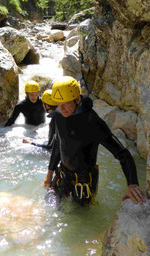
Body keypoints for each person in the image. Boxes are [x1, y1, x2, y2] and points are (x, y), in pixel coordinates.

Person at [43, 76, 147, 206]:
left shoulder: (92, 122)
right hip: (63, 173)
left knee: (80, 217)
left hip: (84, 180)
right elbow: (59, 144)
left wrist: (132, 184)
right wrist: (49, 174)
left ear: (77, 99)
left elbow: (123, 154)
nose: (61, 108)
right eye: (58, 104)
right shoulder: (58, 115)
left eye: (65, 103)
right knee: (51, 205)